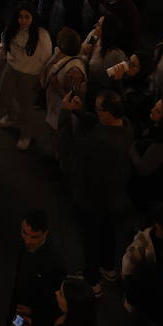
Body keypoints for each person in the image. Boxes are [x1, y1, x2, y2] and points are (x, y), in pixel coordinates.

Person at [58, 88, 133, 298]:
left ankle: (92, 282)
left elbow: (68, 151)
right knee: (108, 231)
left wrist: (65, 113)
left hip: (90, 197)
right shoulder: (126, 126)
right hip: (113, 193)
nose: (95, 111)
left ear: (108, 113)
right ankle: (108, 267)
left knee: (89, 237)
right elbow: (98, 123)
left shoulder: (97, 140)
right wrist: (79, 112)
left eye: (98, 109)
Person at [6, 209, 64, 326]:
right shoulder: (24, 245)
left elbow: (57, 303)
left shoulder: (55, 263)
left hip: (38, 322)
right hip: (20, 312)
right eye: (24, 233)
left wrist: (36, 315)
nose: (27, 240)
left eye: (34, 237)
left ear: (45, 233)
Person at [0, 4, 52, 151]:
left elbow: (47, 59)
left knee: (26, 107)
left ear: (33, 17)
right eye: (20, 17)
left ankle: (25, 135)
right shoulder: (12, 29)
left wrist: (42, 78)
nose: (23, 20)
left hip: (30, 74)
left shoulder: (42, 35)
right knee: (2, 95)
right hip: (11, 67)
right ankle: (12, 115)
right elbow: (4, 43)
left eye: (27, 17)